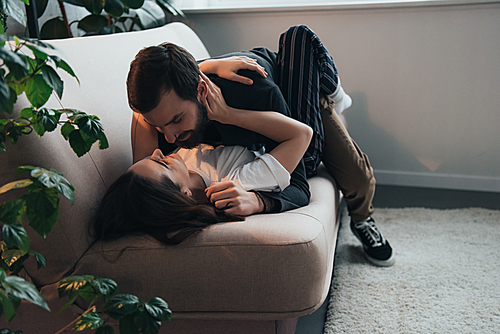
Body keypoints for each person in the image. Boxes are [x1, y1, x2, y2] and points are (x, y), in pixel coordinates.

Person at [126, 25, 395, 266]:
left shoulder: (254, 90)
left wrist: (225, 108)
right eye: (159, 127)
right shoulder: (163, 118)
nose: (168, 139)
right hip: (274, 115)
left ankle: (362, 217)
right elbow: (142, 173)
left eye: (176, 121)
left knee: (299, 37)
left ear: (201, 90)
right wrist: (206, 66)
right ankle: (329, 91)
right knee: (297, 40)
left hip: (284, 105)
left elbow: (300, 177)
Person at [93, 77, 313, 245]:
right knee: (301, 39)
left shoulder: (152, 178)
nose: (158, 151)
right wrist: (227, 115)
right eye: (162, 163)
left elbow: (143, 108)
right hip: (303, 155)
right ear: (184, 194)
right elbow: (301, 135)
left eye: (150, 158)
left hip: (272, 119)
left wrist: (203, 71)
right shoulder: (232, 183)